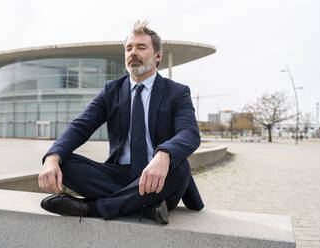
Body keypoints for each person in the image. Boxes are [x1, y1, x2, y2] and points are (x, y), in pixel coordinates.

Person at [38, 21, 204, 224]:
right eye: (129, 48)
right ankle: (146, 205)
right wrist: (52, 157)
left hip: (160, 175)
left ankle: (92, 208)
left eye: (141, 47)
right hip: (119, 174)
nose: (133, 52)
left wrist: (163, 155)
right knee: (65, 162)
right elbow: (80, 126)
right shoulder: (112, 90)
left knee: (180, 166)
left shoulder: (177, 92)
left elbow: (189, 133)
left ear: (158, 55)